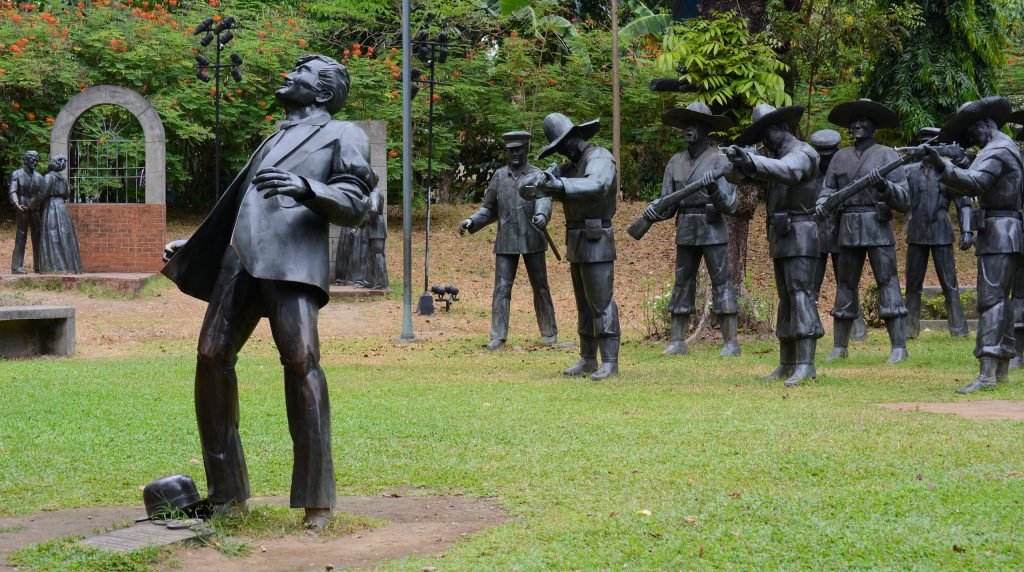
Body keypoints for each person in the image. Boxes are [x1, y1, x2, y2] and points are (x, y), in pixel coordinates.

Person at [162, 55, 377, 529]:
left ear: (322, 92)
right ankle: (227, 491)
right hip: (238, 261)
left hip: (293, 262)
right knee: (210, 356)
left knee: (301, 363)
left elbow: (357, 201)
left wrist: (307, 187)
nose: (288, 73)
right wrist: (197, 244)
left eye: (301, 70)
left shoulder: (344, 134)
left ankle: (316, 501)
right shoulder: (275, 136)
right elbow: (243, 206)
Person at [922, 96, 1023, 393]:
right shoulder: (1006, 146)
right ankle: (1000, 368)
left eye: (972, 136)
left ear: (983, 126)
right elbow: (985, 175)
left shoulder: (996, 148)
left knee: (990, 300)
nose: (971, 142)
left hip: (999, 232)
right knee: (1002, 301)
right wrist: (963, 162)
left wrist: (942, 166)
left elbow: (977, 182)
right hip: (1009, 231)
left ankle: (988, 374)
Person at [723, 104, 823, 387]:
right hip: (781, 235)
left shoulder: (803, 153)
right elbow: (737, 176)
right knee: (786, 299)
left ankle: (806, 364)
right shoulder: (774, 157)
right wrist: (740, 161)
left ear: (780, 129)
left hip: (801, 233)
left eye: (765, 134)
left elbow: (790, 172)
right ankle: (787, 362)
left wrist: (753, 162)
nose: (763, 142)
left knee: (801, 295)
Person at [519, 113, 620, 379]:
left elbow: (598, 185)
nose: (562, 150)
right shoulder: (569, 167)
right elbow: (526, 189)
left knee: (601, 302)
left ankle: (609, 362)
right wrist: (543, 178)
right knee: (584, 305)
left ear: (575, 138)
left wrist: (558, 184)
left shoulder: (599, 157)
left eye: (564, 144)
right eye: (558, 147)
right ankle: (588, 358)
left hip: (596, 237)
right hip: (576, 240)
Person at [816, 99, 911, 365]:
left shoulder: (887, 155)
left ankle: (899, 346)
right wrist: (823, 202)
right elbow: (827, 189)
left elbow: (904, 200)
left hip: (877, 224)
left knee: (887, 281)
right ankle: (839, 346)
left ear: (874, 126)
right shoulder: (839, 156)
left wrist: (884, 187)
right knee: (845, 284)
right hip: (847, 225)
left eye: (863, 120)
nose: (857, 125)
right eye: (853, 121)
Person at [643, 102, 740, 357]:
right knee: (682, 281)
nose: (688, 129)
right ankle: (677, 339)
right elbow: (668, 203)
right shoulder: (675, 162)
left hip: (712, 227)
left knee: (721, 281)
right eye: (685, 125)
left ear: (706, 130)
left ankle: (731, 342)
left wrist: (713, 190)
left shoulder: (721, 160)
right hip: (685, 226)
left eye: (694, 125)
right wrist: (654, 212)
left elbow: (730, 205)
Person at [459, 131, 557, 350]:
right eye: (511, 150)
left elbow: (544, 199)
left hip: (533, 238)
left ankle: (549, 333)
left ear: (527, 149)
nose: (514, 154)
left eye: (518, 149)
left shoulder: (537, 175)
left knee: (540, 286)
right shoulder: (499, 177)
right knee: (501, 289)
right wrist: (471, 221)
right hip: (506, 241)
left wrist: (542, 215)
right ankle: (498, 336)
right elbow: (489, 209)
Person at [903, 127, 972, 339]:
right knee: (913, 283)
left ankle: (959, 330)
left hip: (942, 231)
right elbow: (896, 195)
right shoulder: (909, 171)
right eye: (923, 144)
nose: (926, 149)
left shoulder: (947, 170)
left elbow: (964, 202)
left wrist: (967, 230)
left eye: (930, 144)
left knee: (949, 283)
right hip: (916, 232)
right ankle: (908, 330)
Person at [809, 129, 868, 341]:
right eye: (821, 153)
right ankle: (811, 324)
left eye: (829, 153)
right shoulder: (808, 174)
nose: (826, 158)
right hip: (815, 236)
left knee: (847, 283)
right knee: (811, 284)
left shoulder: (845, 171)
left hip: (842, 234)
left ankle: (857, 326)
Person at [36, 155, 83, 274]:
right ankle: (70, 267)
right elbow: (67, 194)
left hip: (51, 207)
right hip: (62, 207)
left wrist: (31, 205)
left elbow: (42, 195)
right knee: (64, 236)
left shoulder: (48, 177)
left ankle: (55, 267)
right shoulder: (63, 179)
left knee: (52, 236)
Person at [8, 150, 45, 274]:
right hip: (22, 208)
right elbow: (12, 191)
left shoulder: (40, 177)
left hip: (35, 210)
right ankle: (17, 267)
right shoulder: (16, 174)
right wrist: (16, 203)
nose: (35, 162)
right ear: (26, 160)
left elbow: (42, 195)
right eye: (33, 160)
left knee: (38, 237)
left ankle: (39, 265)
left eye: (37, 160)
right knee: (21, 236)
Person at [356, 187, 389, 290]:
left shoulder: (374, 192)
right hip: (376, 229)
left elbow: (374, 210)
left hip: (376, 229)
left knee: (377, 255)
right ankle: (370, 281)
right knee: (371, 256)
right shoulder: (378, 191)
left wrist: (368, 221)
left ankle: (380, 283)